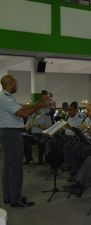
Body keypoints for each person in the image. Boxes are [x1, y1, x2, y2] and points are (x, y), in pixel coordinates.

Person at [0, 75, 49, 207]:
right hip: (12, 134)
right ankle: (16, 199)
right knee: (15, 167)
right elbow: (24, 113)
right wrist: (40, 103)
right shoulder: (5, 98)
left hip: (8, 134)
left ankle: (9, 196)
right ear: (10, 83)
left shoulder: (7, 97)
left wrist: (40, 103)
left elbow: (25, 107)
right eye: (15, 84)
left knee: (9, 166)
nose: (17, 86)